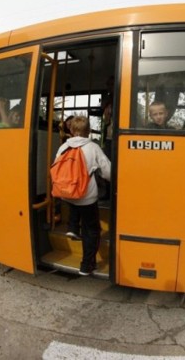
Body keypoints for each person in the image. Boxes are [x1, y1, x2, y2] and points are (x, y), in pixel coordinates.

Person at [54, 116, 111, 276]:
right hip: (86, 196)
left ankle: (72, 227)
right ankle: (87, 265)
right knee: (92, 230)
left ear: (71, 130)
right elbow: (107, 171)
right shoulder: (93, 147)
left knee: (74, 205)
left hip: (67, 193)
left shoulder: (63, 147)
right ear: (88, 131)